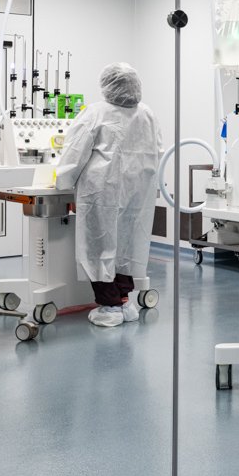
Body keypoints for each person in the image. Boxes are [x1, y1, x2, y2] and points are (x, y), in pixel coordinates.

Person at [54, 63, 162, 328]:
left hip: (102, 192)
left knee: (99, 247)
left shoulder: (96, 113)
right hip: (138, 192)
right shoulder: (147, 114)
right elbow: (158, 151)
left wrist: (62, 182)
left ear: (107, 84)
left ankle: (110, 306)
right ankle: (124, 301)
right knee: (128, 245)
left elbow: (75, 152)